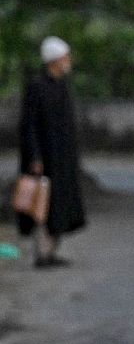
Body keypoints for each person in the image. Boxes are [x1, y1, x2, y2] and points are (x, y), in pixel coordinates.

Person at [16, 36, 87, 268]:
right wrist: (34, 156)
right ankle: (41, 253)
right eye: (65, 56)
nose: (68, 61)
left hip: (63, 157)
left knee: (61, 205)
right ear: (54, 60)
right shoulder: (36, 86)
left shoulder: (62, 86)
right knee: (42, 206)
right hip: (45, 157)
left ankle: (52, 250)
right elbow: (29, 125)